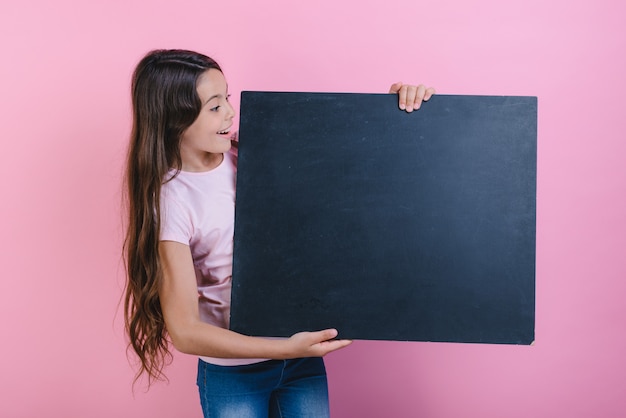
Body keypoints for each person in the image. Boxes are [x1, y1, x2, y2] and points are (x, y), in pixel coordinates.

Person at [123, 48, 435, 418]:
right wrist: (288, 349)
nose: (230, 112)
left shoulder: (256, 150)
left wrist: (393, 112)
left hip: (301, 364)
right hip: (234, 374)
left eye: (227, 97)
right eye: (214, 106)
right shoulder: (172, 201)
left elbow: (351, 167)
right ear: (173, 120)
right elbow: (186, 330)